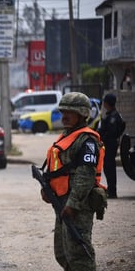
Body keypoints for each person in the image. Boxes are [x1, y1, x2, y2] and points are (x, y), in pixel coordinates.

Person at [40, 92, 107, 271]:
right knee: (62, 253)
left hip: (78, 205)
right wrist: (47, 189)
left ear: (83, 114)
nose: (65, 116)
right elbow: (57, 168)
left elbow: (85, 176)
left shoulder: (87, 140)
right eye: (63, 111)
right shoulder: (66, 136)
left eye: (71, 112)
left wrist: (73, 204)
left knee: (79, 255)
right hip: (61, 202)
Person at [97, 93, 125, 198]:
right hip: (109, 145)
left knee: (110, 168)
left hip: (110, 145)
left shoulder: (113, 117)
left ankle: (112, 192)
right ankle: (111, 190)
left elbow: (112, 132)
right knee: (108, 168)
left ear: (107, 103)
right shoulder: (111, 115)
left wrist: (102, 137)